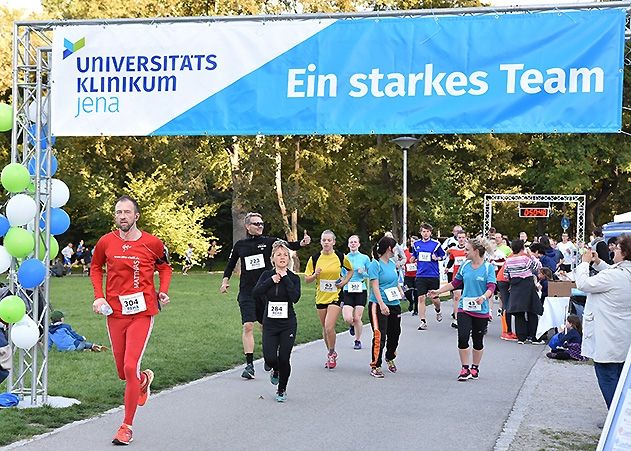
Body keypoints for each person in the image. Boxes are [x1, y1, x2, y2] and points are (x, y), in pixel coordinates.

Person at [90, 195, 173, 446]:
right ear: (115, 216)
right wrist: (99, 297)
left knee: (129, 366)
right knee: (122, 372)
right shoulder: (106, 242)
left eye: (127, 212)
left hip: (142, 311)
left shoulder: (152, 243)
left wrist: (163, 290)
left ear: (136, 216)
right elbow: (95, 268)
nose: (122, 216)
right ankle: (143, 380)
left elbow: (165, 267)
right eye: (118, 212)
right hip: (115, 312)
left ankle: (126, 426)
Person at [221, 212, 310, 379]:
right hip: (247, 292)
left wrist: (302, 243)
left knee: (264, 327)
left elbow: (288, 246)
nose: (260, 226)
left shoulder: (270, 242)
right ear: (247, 226)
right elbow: (230, 264)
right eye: (256, 224)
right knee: (248, 325)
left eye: (262, 223)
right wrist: (225, 281)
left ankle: (270, 358)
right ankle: (249, 365)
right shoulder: (240, 245)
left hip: (266, 291)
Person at [429, 237, 496, 381]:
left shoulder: (488, 267)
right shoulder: (465, 266)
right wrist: (438, 291)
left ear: (476, 251)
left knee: (478, 341)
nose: (464, 252)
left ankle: (475, 368)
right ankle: (465, 368)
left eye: (467, 250)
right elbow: (455, 283)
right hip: (464, 308)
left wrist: (484, 297)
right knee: (463, 337)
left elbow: (491, 287)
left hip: (481, 309)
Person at [575, 235, 631, 409]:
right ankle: (619, 415)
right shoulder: (623, 273)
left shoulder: (615, 276)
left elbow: (583, 284)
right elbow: (611, 273)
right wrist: (598, 262)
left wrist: (584, 263)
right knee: (620, 376)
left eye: (617, 249)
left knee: (607, 377)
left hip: (607, 334)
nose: (613, 250)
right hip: (622, 334)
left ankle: (615, 417)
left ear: (625, 253)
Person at [252, 241, 301, 402]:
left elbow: (295, 297)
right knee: (270, 358)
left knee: (284, 357)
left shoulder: (293, 278)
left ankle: (281, 390)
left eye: (285, 255)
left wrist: (285, 278)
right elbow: (256, 292)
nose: (282, 257)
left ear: (289, 258)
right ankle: (276, 370)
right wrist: (271, 281)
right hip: (270, 323)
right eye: (278, 255)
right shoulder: (266, 275)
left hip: (288, 323)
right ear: (272, 258)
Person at [305, 230, 353, 369]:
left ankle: (331, 353)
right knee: (325, 329)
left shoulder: (339, 256)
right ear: (320, 242)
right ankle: (330, 351)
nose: (326, 242)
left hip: (336, 296)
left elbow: (350, 270)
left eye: (328, 240)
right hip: (321, 297)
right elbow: (307, 279)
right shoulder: (314, 259)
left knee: (329, 326)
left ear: (333, 242)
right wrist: (315, 274)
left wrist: (343, 282)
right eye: (324, 240)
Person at [368, 236, 404, 378]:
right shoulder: (375, 265)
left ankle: (390, 356)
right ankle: (375, 365)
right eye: (394, 247)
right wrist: (381, 304)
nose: (396, 250)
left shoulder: (391, 264)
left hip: (394, 303)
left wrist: (400, 290)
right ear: (389, 248)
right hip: (378, 304)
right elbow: (375, 286)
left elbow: (393, 281)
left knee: (395, 334)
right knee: (379, 335)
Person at [504, 240, 544, 344]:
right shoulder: (525, 259)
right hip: (527, 285)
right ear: (522, 248)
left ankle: (521, 337)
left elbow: (506, 275)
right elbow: (537, 267)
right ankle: (534, 336)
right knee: (532, 310)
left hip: (515, 286)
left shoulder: (508, 260)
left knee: (519, 313)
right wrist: (532, 255)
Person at [411, 223, 446, 330]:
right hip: (421, 274)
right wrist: (413, 258)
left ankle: (438, 310)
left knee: (434, 298)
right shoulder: (416, 244)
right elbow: (414, 255)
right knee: (421, 298)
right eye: (423, 231)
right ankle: (423, 321)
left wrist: (437, 258)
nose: (425, 233)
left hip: (433, 274)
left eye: (427, 231)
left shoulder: (435, 244)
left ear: (430, 232)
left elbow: (443, 255)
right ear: (420, 232)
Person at [342, 235, 371, 350]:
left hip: (360, 289)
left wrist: (363, 272)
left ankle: (357, 340)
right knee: (348, 317)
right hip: (348, 289)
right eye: (351, 242)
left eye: (355, 242)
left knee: (357, 318)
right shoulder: (344, 258)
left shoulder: (365, 258)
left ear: (359, 244)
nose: (353, 244)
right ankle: (352, 325)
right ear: (348, 245)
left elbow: (371, 273)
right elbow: (341, 273)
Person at [446, 230, 467, 329]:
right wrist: (447, 267)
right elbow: (451, 260)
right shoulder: (453, 250)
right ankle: (456, 318)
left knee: (466, 297)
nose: (461, 239)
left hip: (468, 277)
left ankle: (467, 317)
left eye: (463, 237)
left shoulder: (469, 249)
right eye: (460, 237)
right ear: (457, 238)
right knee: (457, 296)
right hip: (457, 276)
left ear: (466, 238)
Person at [403, 236, 419, 315]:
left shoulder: (420, 251)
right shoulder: (405, 251)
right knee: (407, 291)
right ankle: (411, 301)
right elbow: (401, 258)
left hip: (417, 275)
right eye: (412, 241)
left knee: (416, 293)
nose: (413, 243)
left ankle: (416, 309)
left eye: (414, 241)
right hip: (408, 275)